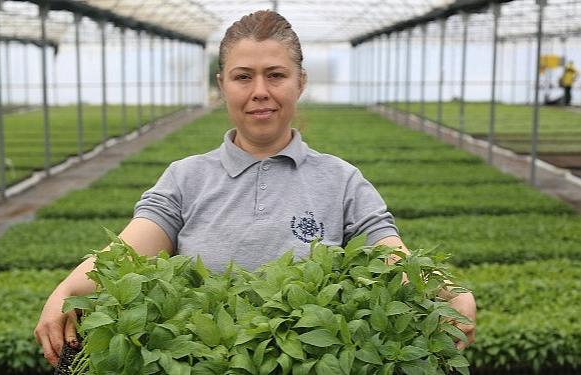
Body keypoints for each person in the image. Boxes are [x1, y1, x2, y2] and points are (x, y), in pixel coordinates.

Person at [34, 10, 477, 367]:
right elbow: (127, 251)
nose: (260, 91)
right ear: (222, 85)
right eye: (243, 76)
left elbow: (392, 253)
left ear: (300, 82)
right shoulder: (186, 177)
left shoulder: (341, 180)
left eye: (276, 75)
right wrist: (64, 291)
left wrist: (451, 293)